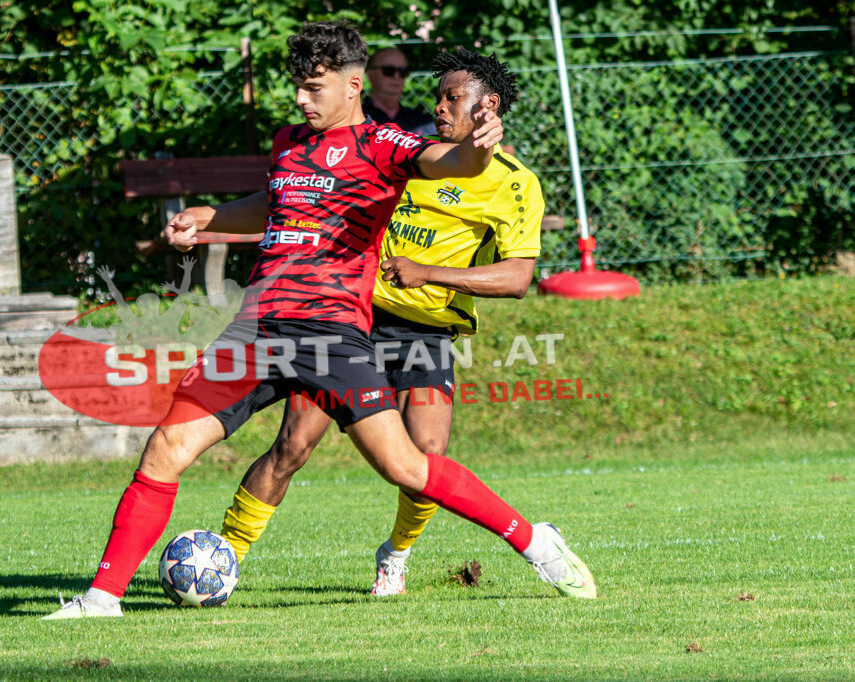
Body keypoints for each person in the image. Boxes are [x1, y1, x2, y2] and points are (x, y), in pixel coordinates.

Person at [43, 21, 592, 620]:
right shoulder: (290, 144)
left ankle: (536, 543)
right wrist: (208, 217)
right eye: (298, 87)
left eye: (313, 88)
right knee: (167, 446)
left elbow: (451, 161)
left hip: (330, 332)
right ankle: (101, 600)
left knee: (406, 465)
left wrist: (479, 146)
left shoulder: (384, 145)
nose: (301, 99)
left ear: (353, 86)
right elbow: (274, 203)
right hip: (255, 329)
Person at [218, 47, 561, 597]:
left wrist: (429, 273)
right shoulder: (408, 155)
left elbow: (518, 278)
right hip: (352, 319)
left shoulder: (516, 183)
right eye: (438, 96)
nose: (439, 106)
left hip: (426, 333)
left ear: (488, 105)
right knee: (293, 444)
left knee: (428, 455)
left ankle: (395, 555)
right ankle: (223, 558)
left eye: (453, 97)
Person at [363, 46, 435, 136]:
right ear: (370, 73)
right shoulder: (359, 118)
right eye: (388, 70)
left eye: (403, 71)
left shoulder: (422, 121)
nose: (396, 76)